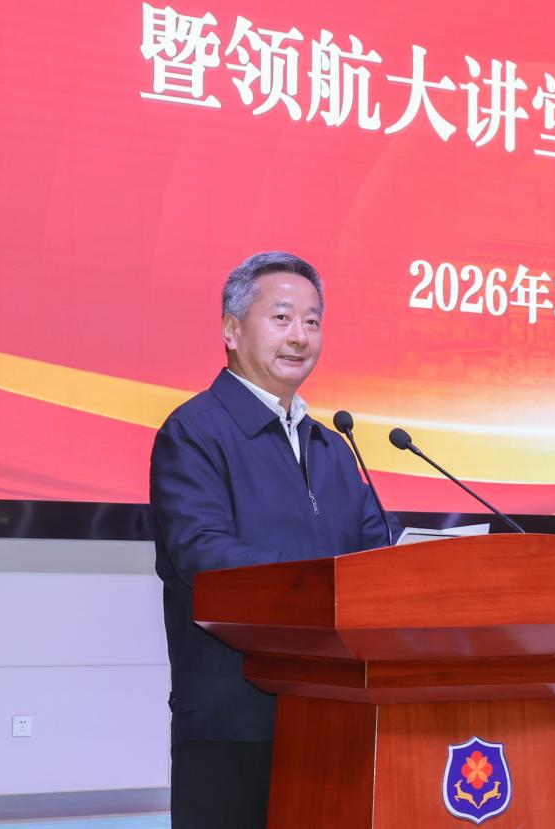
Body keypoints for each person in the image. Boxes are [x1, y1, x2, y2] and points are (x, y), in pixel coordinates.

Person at [150, 251, 394, 828]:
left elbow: (376, 552)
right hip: (236, 716)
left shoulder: (331, 447)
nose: (300, 337)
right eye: (282, 318)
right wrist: (321, 584)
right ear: (232, 331)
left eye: (312, 321)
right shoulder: (194, 431)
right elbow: (204, 555)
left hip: (335, 709)